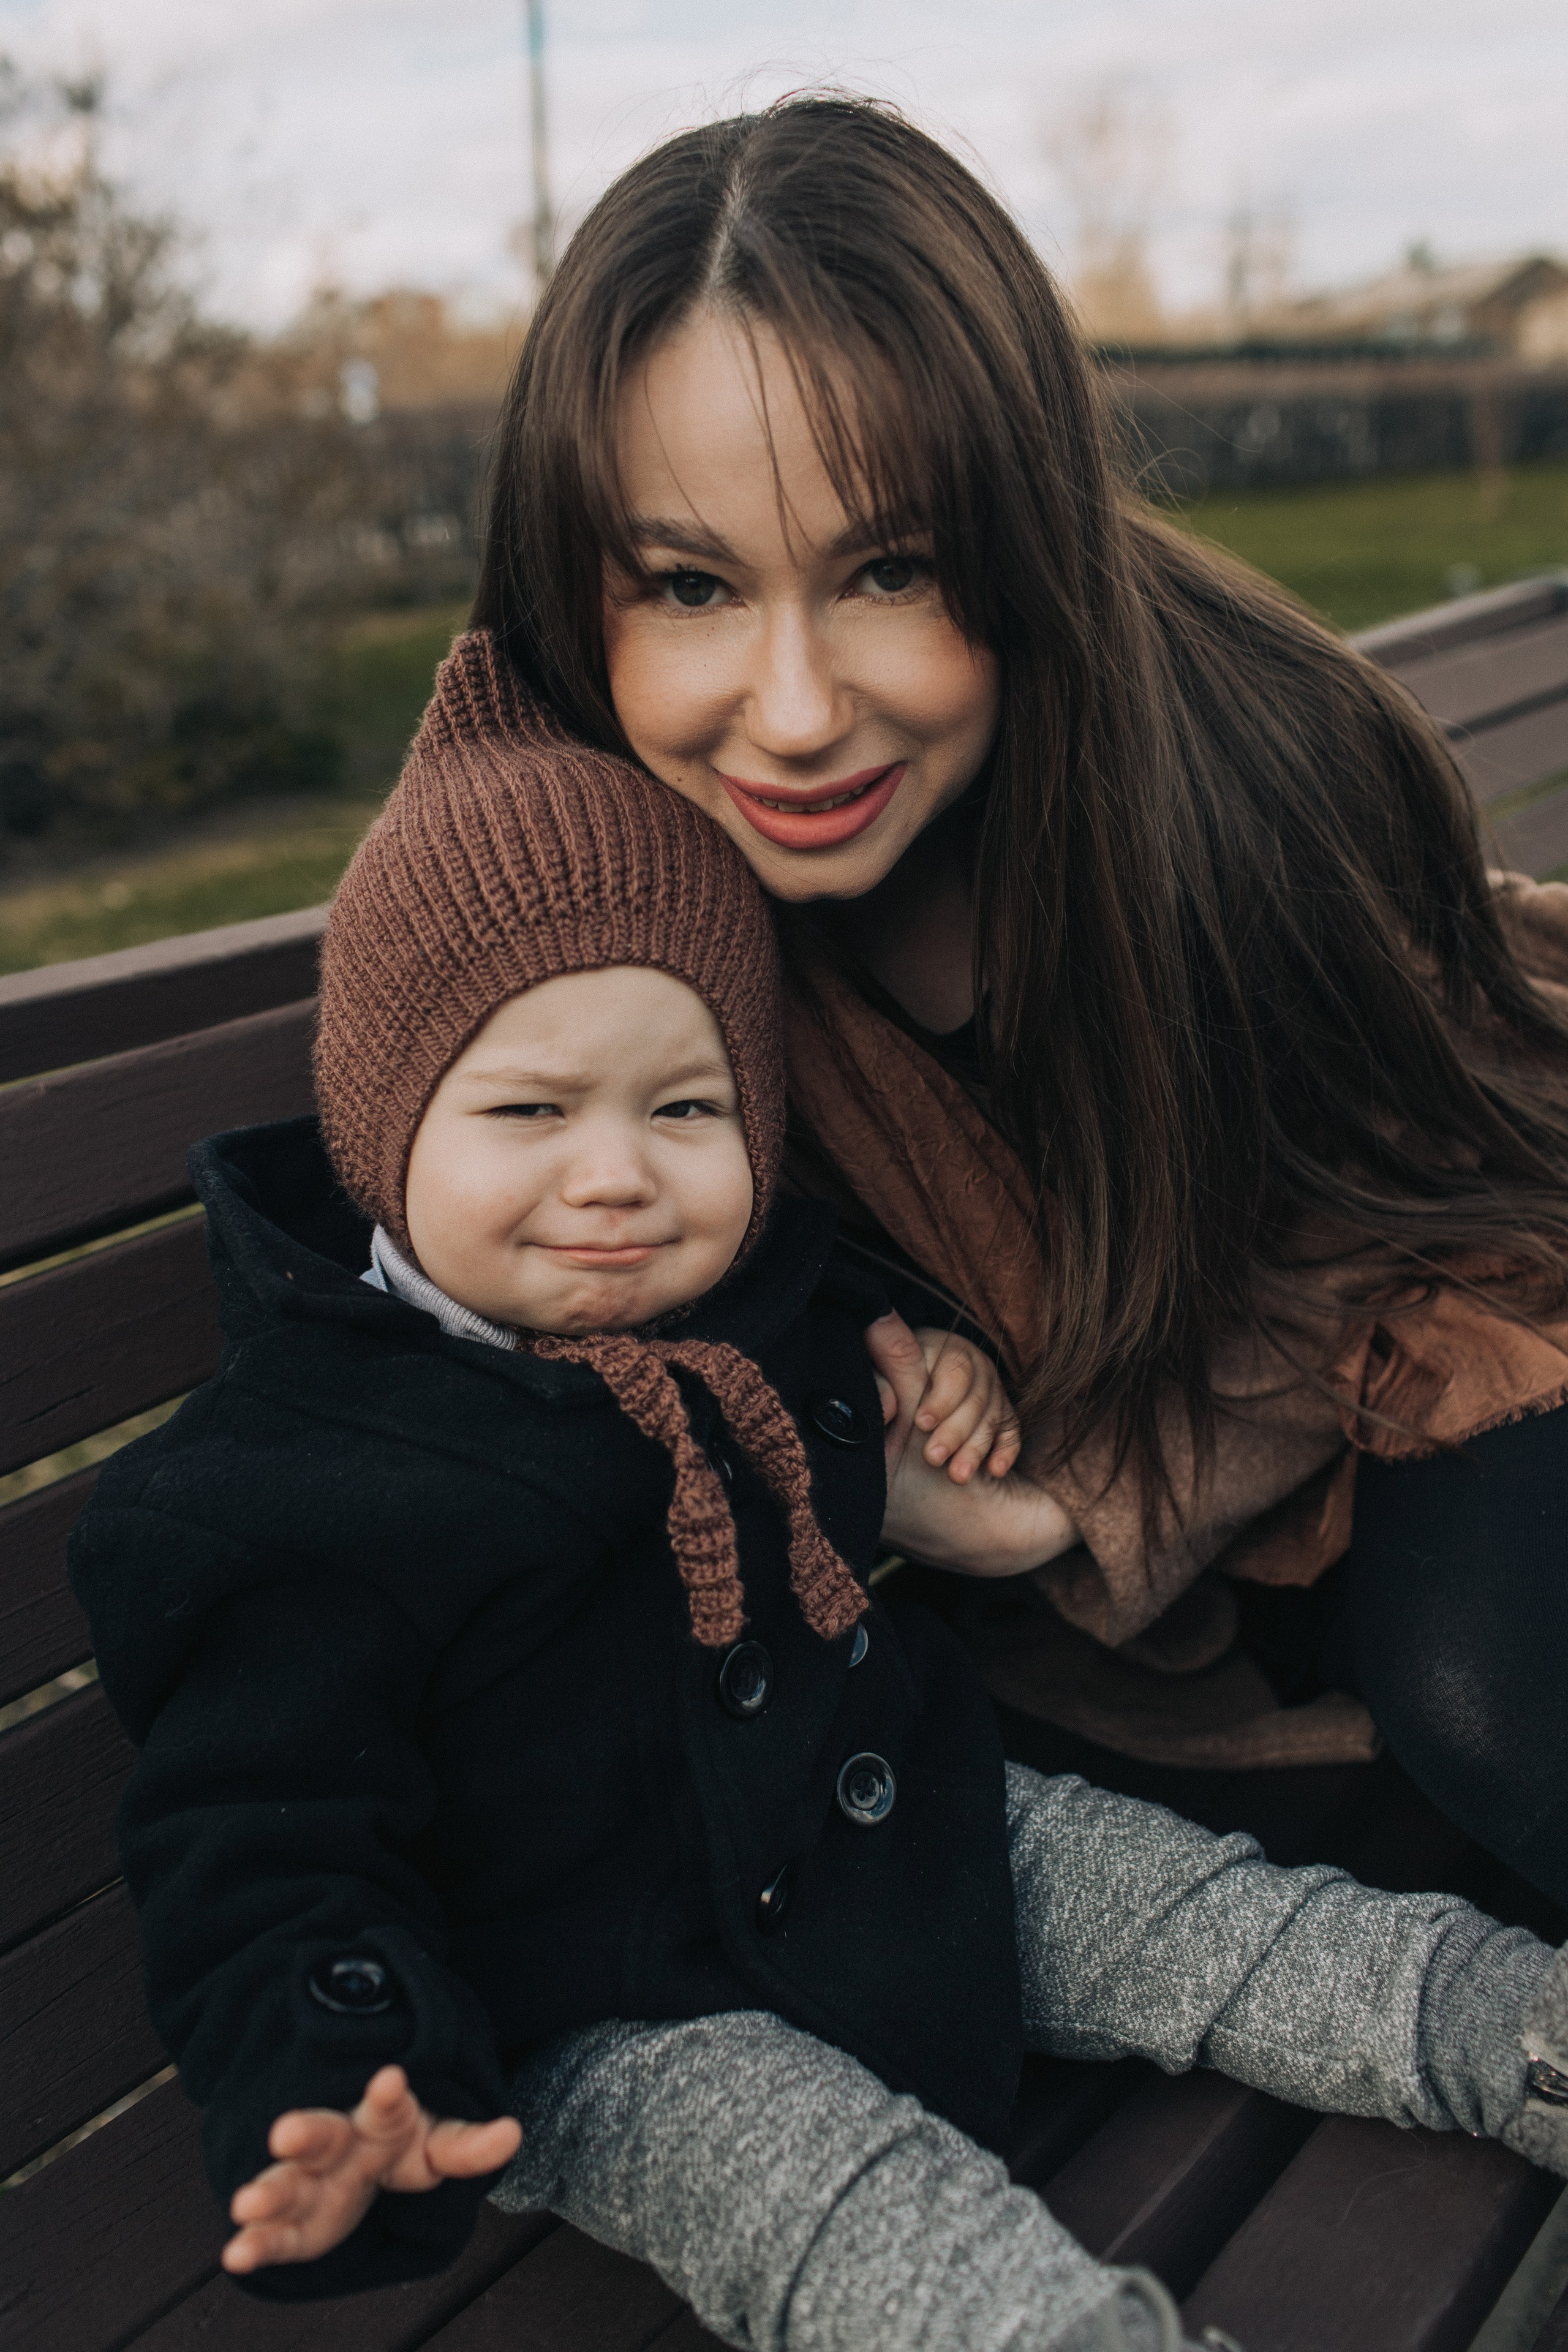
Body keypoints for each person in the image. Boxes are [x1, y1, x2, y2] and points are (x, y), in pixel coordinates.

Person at [69, 646, 1568, 2352]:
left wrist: (942, 1378)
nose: (617, 1171)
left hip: (897, 1815)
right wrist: (346, 2073)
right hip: (610, 2003)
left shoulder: (767, 1297)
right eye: (530, 1111)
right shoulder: (285, 1490)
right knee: (833, 2199)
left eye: (687, 1106)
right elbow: (256, 1846)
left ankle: (1510, 2030)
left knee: (1203, 1917)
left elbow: (866, 1390)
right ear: (382, 1132)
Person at [472, 92, 1568, 1896]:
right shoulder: (586, 912)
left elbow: (1425, 1210)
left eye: (890, 567)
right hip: (1114, 1627)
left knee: (1503, 1681)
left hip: (1444, 1342)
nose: (801, 707)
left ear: (1023, 534)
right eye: (689, 585)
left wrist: (1075, 1502)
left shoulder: (1245, 770)